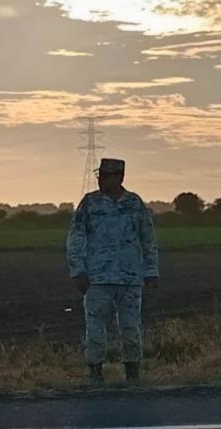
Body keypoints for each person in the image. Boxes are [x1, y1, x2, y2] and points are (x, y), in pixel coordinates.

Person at [67, 158, 159, 384]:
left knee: (131, 328)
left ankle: (133, 375)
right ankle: (96, 375)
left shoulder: (134, 204)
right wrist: (77, 270)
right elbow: (75, 238)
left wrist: (151, 270)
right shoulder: (90, 204)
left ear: (119, 177)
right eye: (100, 176)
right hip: (97, 278)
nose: (100, 181)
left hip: (129, 277)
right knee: (95, 328)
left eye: (105, 176)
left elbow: (148, 238)